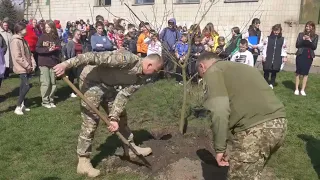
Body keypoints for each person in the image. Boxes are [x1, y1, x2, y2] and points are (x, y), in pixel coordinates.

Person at [53, 50, 163, 177]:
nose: (154, 74)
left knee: (121, 116)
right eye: (155, 71)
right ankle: (83, 162)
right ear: (149, 65)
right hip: (92, 81)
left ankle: (130, 148)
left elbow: (123, 96)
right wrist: (66, 64)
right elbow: (92, 56)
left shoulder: (140, 78)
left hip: (109, 86)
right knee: (91, 121)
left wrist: (114, 118)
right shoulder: (126, 59)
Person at [196, 52, 287, 180]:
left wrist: (220, 148)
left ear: (202, 66)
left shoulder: (212, 72)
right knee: (252, 174)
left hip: (256, 132)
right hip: (279, 125)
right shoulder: (245, 68)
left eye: (202, 76)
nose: (204, 78)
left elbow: (220, 111)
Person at [10, 22, 36, 115]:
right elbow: (18, 56)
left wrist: (32, 63)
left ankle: (22, 105)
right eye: (24, 29)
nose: (26, 30)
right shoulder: (15, 41)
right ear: (19, 30)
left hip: (26, 67)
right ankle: (17, 107)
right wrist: (27, 66)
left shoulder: (23, 40)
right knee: (26, 86)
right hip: (21, 68)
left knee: (22, 87)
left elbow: (29, 53)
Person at [36, 21, 61, 108]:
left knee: (53, 82)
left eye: (48, 27)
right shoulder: (42, 37)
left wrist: (56, 52)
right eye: (45, 27)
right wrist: (47, 50)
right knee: (46, 82)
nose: (46, 29)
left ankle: (51, 99)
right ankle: (45, 101)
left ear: (53, 28)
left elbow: (58, 50)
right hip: (43, 62)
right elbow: (37, 49)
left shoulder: (56, 38)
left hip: (53, 62)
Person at [294, 21, 318, 96]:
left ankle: (302, 90)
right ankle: (296, 89)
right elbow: (297, 45)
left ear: (313, 27)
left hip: (309, 55)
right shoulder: (301, 34)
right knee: (298, 72)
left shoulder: (315, 36)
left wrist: (310, 40)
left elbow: (314, 47)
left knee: (305, 73)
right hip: (301, 54)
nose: (308, 28)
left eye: (310, 26)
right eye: (307, 26)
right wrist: (303, 40)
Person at [262, 24, 287, 89]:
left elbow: (284, 49)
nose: (276, 32)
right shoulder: (268, 38)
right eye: (275, 30)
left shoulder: (282, 39)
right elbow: (264, 48)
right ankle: (265, 82)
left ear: (280, 31)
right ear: (273, 30)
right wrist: (264, 56)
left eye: (278, 31)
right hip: (269, 56)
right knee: (266, 70)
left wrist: (284, 57)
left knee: (274, 70)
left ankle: (272, 83)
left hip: (277, 57)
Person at [65, 29, 85, 98]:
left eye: (80, 34)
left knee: (80, 77)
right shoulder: (70, 43)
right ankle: (71, 92)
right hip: (73, 62)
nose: (79, 36)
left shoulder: (80, 42)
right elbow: (68, 54)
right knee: (72, 78)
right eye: (78, 34)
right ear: (74, 34)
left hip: (80, 62)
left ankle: (80, 90)